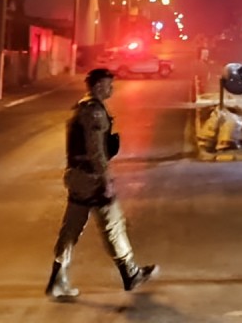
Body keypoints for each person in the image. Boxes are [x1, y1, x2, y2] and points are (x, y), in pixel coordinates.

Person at [46, 69, 158, 301]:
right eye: (108, 85)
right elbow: (96, 151)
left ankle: (57, 280)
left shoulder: (82, 107)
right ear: (97, 87)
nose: (111, 89)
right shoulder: (94, 112)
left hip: (78, 178)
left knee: (71, 229)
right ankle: (130, 273)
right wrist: (106, 180)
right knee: (113, 225)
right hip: (92, 179)